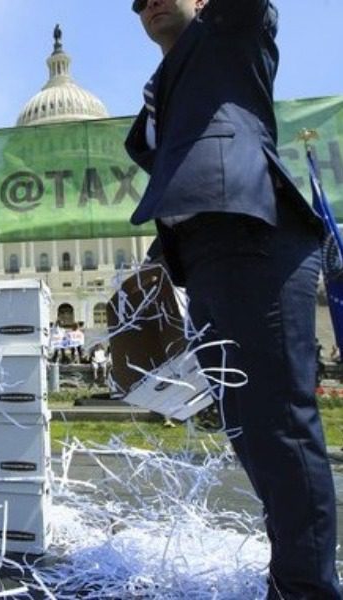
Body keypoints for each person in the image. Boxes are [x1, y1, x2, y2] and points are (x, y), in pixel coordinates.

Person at [125, 0, 341, 596]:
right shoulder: (157, 93)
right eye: (138, 1)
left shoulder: (230, 33)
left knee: (280, 426)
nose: (149, 3)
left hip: (256, 237)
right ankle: (290, 572)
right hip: (204, 255)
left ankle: (307, 589)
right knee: (248, 427)